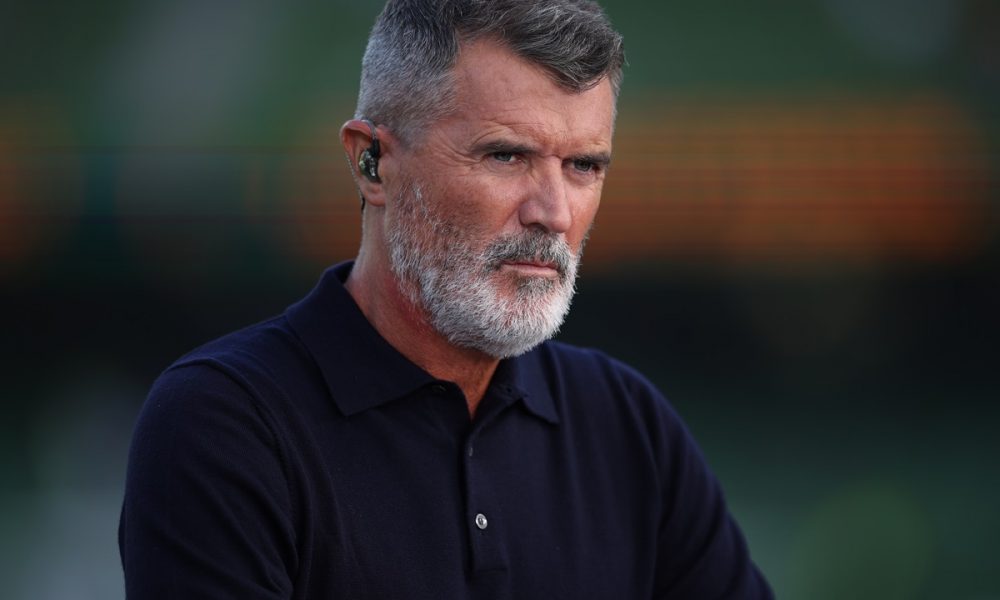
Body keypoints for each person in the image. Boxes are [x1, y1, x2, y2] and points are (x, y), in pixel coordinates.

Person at [118, 0, 773, 598]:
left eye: (584, 166)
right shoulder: (224, 423)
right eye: (506, 156)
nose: (553, 213)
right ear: (373, 162)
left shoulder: (628, 424)